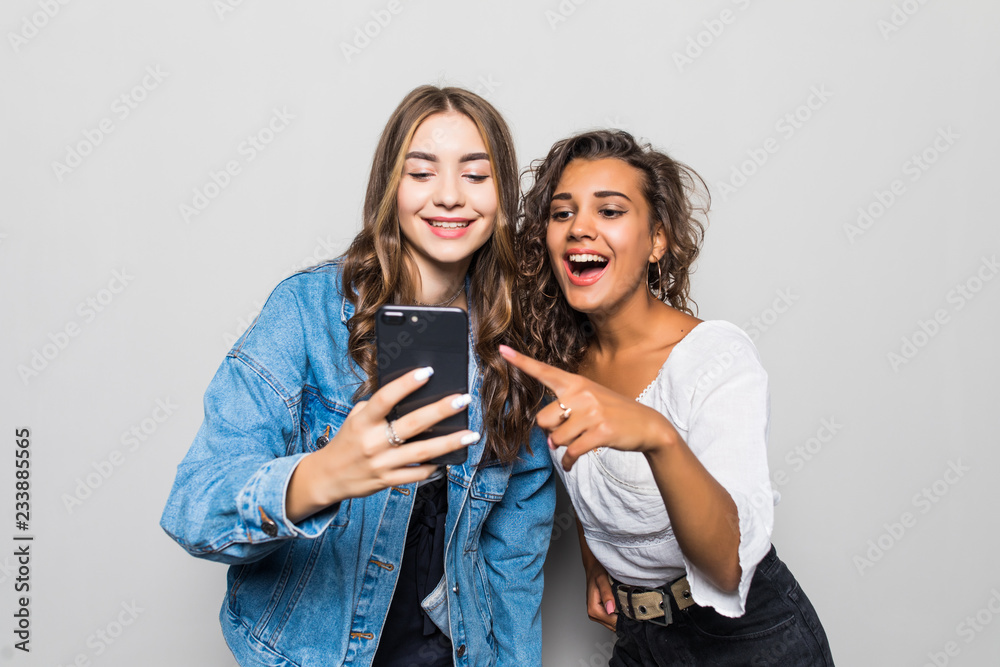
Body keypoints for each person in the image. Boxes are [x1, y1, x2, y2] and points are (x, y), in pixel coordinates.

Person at [160, 86, 555, 667]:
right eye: (422, 173)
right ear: (390, 189)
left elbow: (513, 559)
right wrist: (319, 478)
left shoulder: (517, 336)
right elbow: (192, 508)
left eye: (476, 175)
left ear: (502, 195)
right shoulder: (305, 312)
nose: (450, 196)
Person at [503, 129, 834, 665]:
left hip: (748, 640)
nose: (580, 228)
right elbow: (591, 481)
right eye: (562, 214)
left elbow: (726, 565)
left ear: (657, 240)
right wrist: (596, 561)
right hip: (640, 638)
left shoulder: (715, 358)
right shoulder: (557, 360)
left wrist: (657, 437)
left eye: (609, 211)